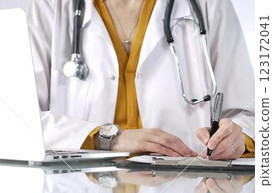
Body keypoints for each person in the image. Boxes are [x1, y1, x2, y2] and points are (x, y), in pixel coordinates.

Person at [26, 0, 255, 159]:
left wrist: (237, 138)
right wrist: (105, 138)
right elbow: (18, 122)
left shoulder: (208, 5)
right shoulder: (49, 7)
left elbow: (253, 116)